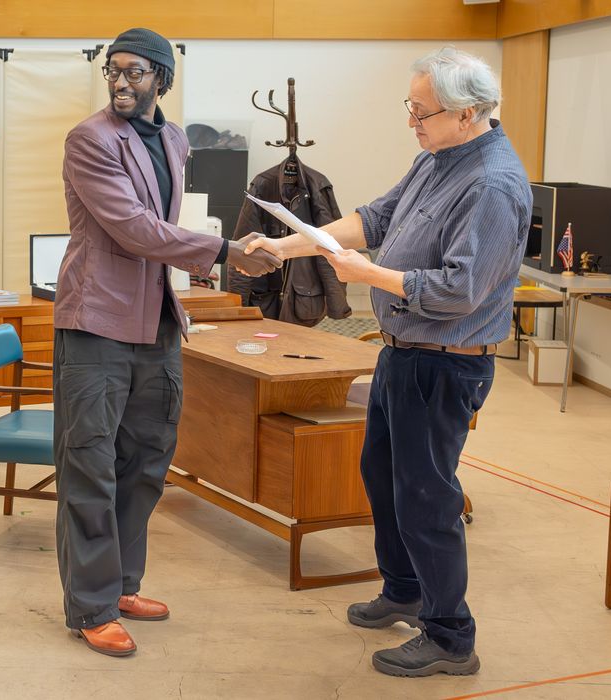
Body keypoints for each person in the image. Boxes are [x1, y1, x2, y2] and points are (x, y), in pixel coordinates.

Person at [247, 47, 530, 677]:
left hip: (444, 364)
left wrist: (367, 273)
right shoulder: (438, 158)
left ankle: (451, 634)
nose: (412, 120)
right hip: (402, 354)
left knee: (428, 498)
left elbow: (460, 290)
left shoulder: (492, 184)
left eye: (422, 111)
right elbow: (373, 217)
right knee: (382, 477)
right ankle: (403, 589)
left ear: (468, 112)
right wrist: (288, 245)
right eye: (411, 106)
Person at [53, 27, 279, 657]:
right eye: (113, 71)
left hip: (156, 321)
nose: (121, 82)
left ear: (161, 78)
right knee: (91, 466)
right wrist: (228, 253)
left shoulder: (174, 139)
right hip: (96, 321)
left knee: (147, 462)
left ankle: (122, 585)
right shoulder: (90, 140)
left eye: (135, 71)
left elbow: (163, 225)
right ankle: (91, 606)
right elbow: (133, 230)